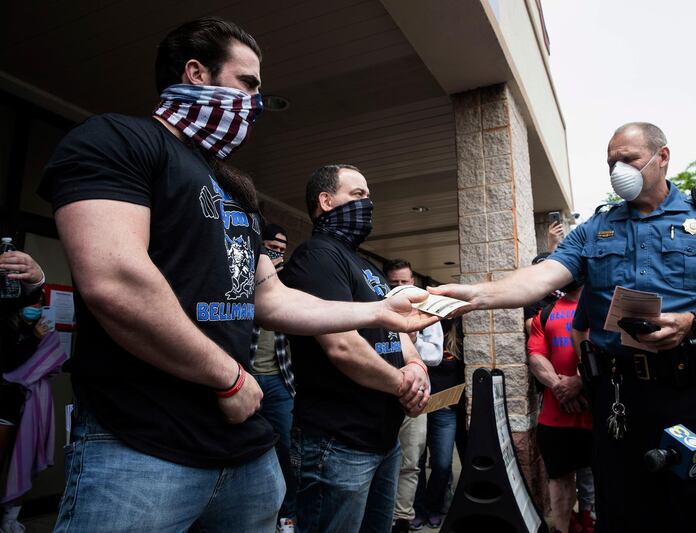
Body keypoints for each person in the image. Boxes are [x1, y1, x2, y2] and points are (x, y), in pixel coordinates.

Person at [41, 19, 436, 533]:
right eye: (247, 83)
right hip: (141, 443)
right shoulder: (118, 139)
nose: (255, 99)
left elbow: (270, 297)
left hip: (244, 450)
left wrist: (378, 311)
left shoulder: (235, 188)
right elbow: (116, 280)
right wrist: (226, 378)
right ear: (196, 72)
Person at [431, 122, 696, 533]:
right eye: (611, 163)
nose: (618, 170)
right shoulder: (594, 230)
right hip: (622, 404)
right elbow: (542, 276)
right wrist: (476, 295)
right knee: (625, 512)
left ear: (663, 157)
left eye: (629, 159)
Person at [281, 165, 431, 533]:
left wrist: (415, 367)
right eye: (358, 195)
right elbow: (342, 346)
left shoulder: (367, 268)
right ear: (326, 201)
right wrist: (403, 385)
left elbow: (400, 329)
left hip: (383, 439)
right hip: (338, 441)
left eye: (369, 196)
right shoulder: (316, 257)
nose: (368, 205)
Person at [526, 279, 594, 533]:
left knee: (604, 476)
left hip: (599, 414)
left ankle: (590, 519)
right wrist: (560, 387)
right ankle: (563, 529)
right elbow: (535, 356)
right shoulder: (545, 314)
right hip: (555, 417)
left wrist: (580, 382)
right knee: (559, 479)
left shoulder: (604, 307)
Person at [383, 259, 444, 533]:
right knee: (380, 460)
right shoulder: (377, 308)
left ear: (412, 282)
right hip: (382, 394)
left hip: (415, 396)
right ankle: (382, 517)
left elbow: (435, 356)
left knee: (411, 461)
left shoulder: (427, 310)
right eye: (393, 282)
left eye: (403, 282)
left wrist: (413, 338)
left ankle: (403, 520)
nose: (399, 287)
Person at [250, 223, 296, 532]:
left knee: (287, 451)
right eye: (270, 248)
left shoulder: (289, 283)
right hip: (248, 380)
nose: (276, 254)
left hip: (281, 381)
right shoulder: (242, 277)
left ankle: (287, 516)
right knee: (251, 450)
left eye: (281, 250)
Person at [0, 251, 47, 533]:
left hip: (17, 406)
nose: (37, 308)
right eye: (32, 304)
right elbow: (11, 365)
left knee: (17, 463)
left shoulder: (31, 331)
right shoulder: (9, 331)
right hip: (4, 407)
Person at [412, 317, 465, 531]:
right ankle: (418, 509)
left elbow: (463, 374)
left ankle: (434, 506)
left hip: (445, 408)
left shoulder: (457, 333)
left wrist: (455, 402)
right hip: (417, 406)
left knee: (442, 464)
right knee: (416, 463)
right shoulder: (417, 326)